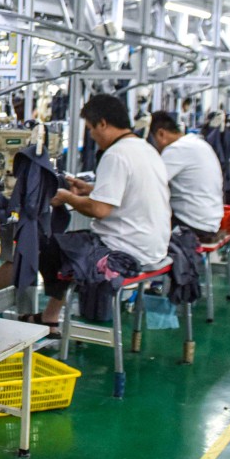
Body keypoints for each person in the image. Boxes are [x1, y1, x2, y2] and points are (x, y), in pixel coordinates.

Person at [35, 94, 170, 332]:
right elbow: (126, 195)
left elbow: (99, 210)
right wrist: (90, 190)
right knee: (69, 244)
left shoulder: (115, 155)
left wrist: (68, 197)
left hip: (125, 250)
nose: (91, 135)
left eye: (90, 128)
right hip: (154, 246)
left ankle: (48, 317)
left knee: (49, 247)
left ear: (103, 124)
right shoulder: (145, 149)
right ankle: (51, 316)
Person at [150, 111, 223, 245]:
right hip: (211, 221)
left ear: (161, 134)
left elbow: (150, 184)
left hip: (193, 226)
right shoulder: (198, 143)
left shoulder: (177, 149)